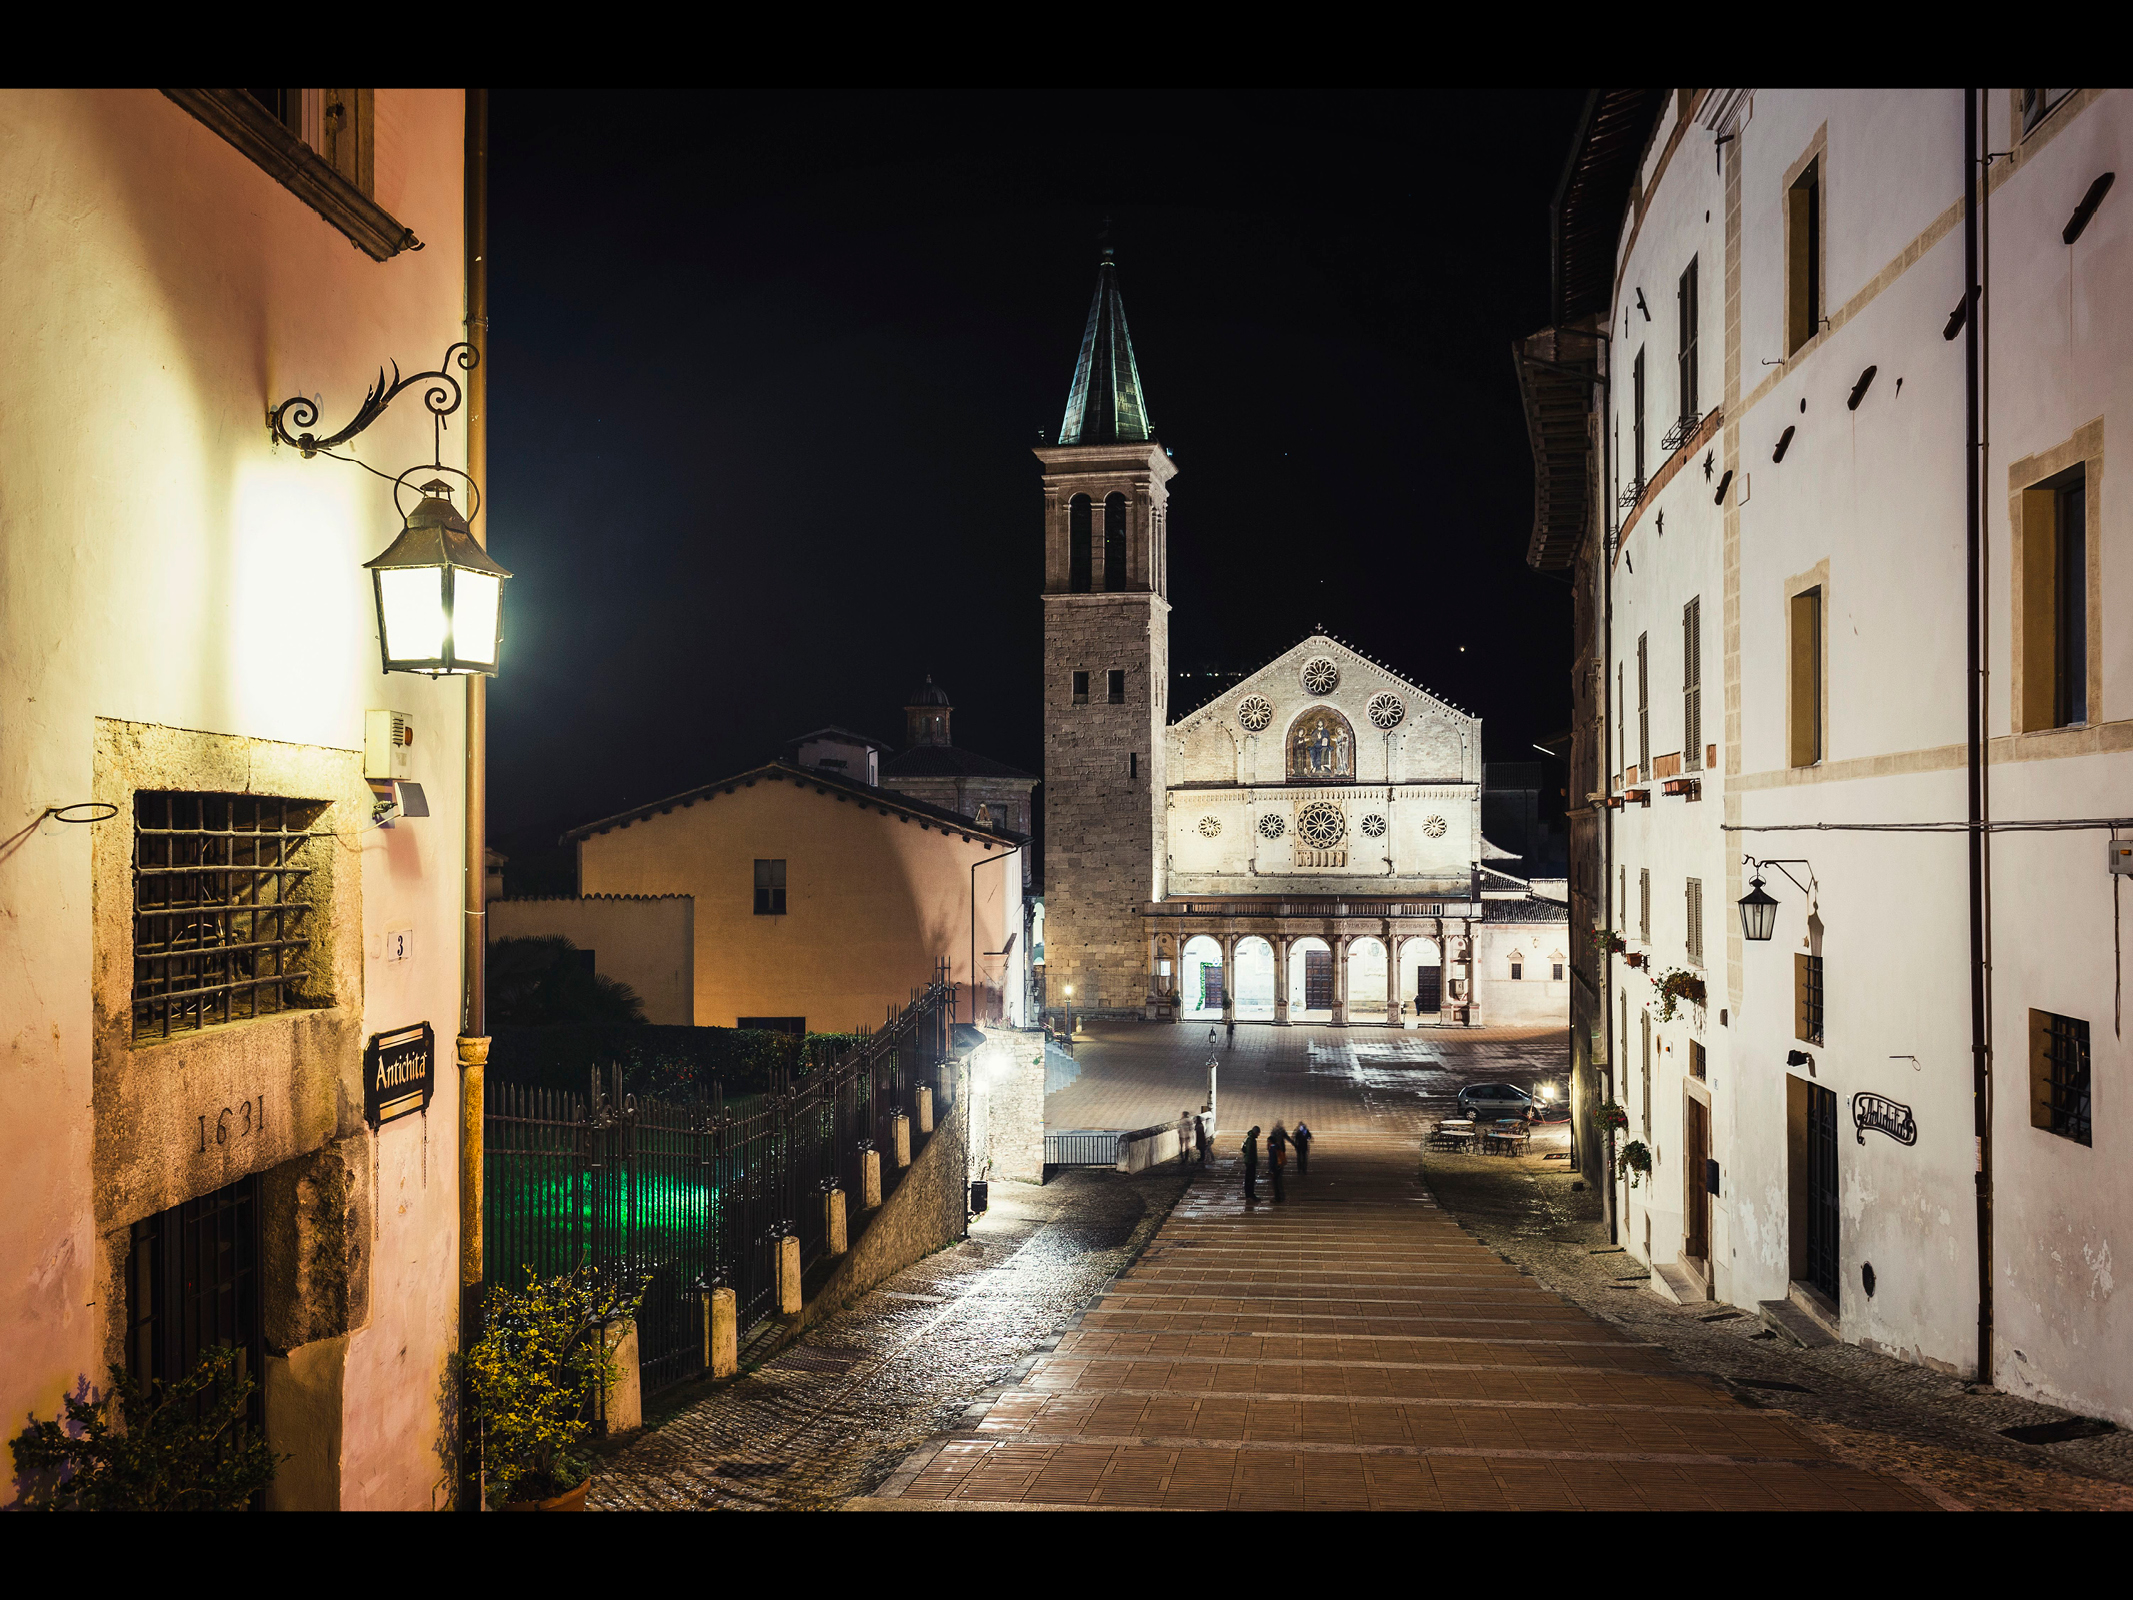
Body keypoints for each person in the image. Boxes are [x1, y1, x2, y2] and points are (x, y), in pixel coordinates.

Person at [1267, 1121, 1289, 1203]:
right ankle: (1280, 1196)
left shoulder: (1272, 1149)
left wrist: (1271, 1170)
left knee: (1275, 1184)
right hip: (1280, 1166)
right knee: (1279, 1183)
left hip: (1275, 1168)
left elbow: (1272, 1161)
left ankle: (1277, 1198)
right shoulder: (1278, 1147)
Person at [1241, 1125, 1261, 1202]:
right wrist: (1252, 1161)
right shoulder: (1251, 1140)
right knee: (1250, 1178)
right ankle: (1250, 1194)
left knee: (1249, 1178)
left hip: (1249, 1161)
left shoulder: (1249, 1138)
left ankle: (1249, 1194)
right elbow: (1249, 1152)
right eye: (1258, 1133)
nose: (1258, 1135)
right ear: (1255, 1132)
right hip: (1250, 1162)